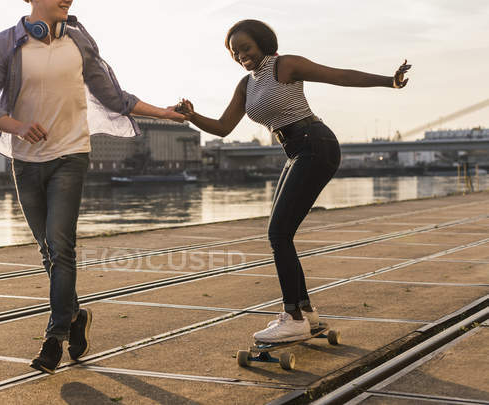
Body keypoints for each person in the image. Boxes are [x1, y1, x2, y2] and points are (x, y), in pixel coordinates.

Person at [0, 0, 185, 373]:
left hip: (71, 155)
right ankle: (74, 315)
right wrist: (16, 125)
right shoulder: (4, 44)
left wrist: (164, 113)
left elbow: (114, 98)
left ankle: (54, 338)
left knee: (61, 246)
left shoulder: (79, 43)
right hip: (25, 161)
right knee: (47, 249)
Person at [175, 19, 410, 343]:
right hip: (296, 150)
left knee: (278, 234)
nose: (241, 55)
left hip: (314, 142)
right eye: (234, 51)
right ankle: (306, 315)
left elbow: (338, 76)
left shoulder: (285, 66)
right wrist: (192, 116)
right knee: (281, 233)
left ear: (263, 43)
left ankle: (293, 317)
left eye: (246, 47)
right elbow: (223, 127)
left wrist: (390, 81)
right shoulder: (247, 84)